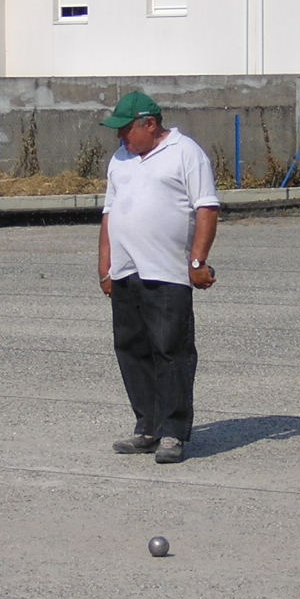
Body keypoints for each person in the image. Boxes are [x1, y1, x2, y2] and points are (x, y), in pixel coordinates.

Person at [98, 91, 219, 464]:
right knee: (132, 349)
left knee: (172, 351)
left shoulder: (186, 153)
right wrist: (105, 266)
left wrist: (198, 262)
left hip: (167, 272)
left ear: (149, 124)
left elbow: (207, 208)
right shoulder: (121, 160)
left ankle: (173, 431)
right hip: (126, 271)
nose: (120, 138)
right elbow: (109, 213)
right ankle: (147, 426)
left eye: (125, 130)